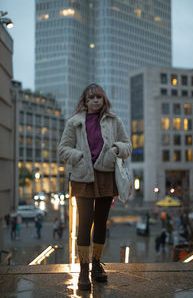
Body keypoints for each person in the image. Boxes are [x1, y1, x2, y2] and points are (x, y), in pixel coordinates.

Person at [58, 83, 131, 291]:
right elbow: (63, 149)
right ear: (85, 101)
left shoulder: (114, 120)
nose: (95, 101)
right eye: (91, 98)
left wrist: (117, 148)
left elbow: (128, 146)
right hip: (82, 177)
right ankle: (83, 269)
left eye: (98, 97)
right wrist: (79, 157)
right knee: (84, 223)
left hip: (106, 176)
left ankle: (96, 266)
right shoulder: (74, 123)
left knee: (101, 223)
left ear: (103, 99)